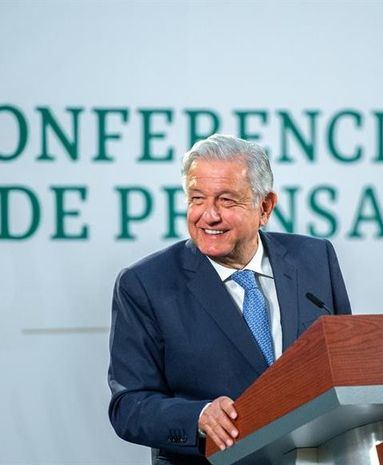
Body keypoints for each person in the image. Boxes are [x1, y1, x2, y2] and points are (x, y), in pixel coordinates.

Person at [108, 134, 351, 465]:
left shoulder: (314, 259)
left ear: (264, 207)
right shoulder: (146, 284)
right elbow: (129, 406)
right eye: (197, 199)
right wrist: (199, 416)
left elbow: (345, 366)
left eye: (226, 200)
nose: (208, 216)